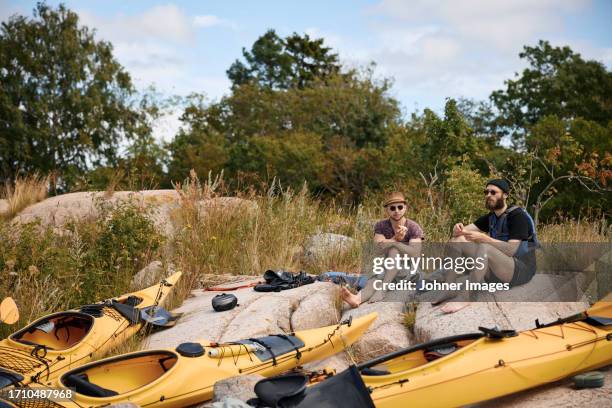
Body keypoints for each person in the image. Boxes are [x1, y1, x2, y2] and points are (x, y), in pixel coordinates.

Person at [436, 179, 537, 313]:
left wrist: (485, 238)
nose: (488, 195)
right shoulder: (491, 217)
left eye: (493, 192)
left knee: (485, 247)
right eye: (486, 192)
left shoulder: (518, 216)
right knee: (456, 241)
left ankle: (467, 297)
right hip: (497, 272)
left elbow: (511, 250)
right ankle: (450, 288)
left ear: (505, 195)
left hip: (520, 270)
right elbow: (462, 232)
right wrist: (457, 229)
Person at [341, 192, 423, 308]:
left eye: (400, 207)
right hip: (388, 268)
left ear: (405, 208)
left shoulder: (413, 226)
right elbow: (378, 248)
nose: (396, 211)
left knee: (394, 249)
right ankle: (357, 299)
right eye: (392, 208)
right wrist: (395, 239)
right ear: (387, 210)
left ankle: (383, 290)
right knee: (375, 279)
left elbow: (415, 253)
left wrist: (396, 244)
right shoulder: (381, 226)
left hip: (409, 270)